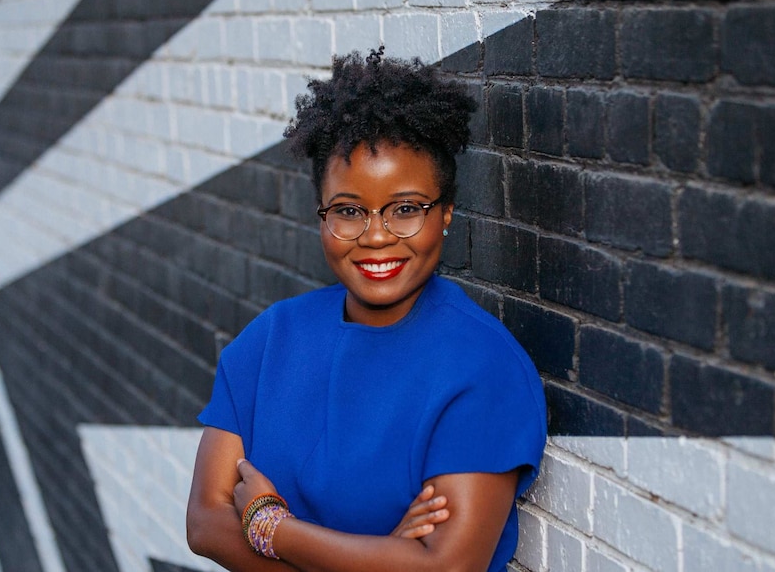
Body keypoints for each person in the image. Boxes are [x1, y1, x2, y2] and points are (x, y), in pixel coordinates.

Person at [186, 48, 547, 572]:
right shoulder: (270, 340)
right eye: (349, 211)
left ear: (446, 213)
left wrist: (272, 526)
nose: (376, 237)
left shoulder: (481, 368)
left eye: (405, 209)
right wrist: (377, 557)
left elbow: (443, 568)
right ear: (321, 215)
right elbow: (204, 523)